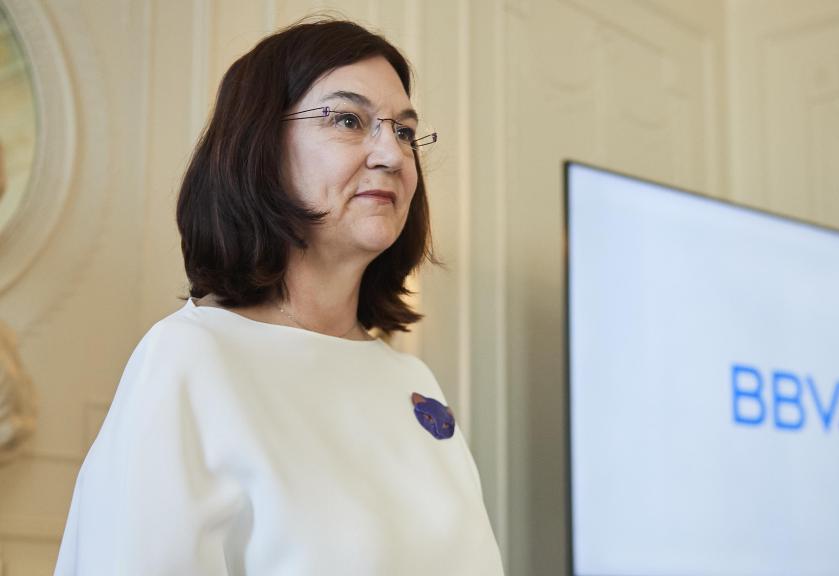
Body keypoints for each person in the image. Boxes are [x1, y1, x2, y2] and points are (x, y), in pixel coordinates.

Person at [54, 18, 504, 575]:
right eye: (347, 119)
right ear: (259, 145)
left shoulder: (414, 383)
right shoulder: (189, 361)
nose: (392, 154)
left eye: (405, 131)